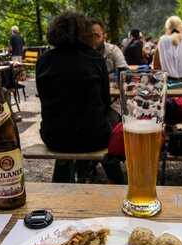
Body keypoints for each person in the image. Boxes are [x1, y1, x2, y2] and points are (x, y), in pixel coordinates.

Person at [36, 11, 124, 183]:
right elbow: (105, 102)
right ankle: (119, 183)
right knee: (114, 115)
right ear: (85, 33)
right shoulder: (94, 58)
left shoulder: (44, 61)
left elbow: (44, 100)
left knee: (67, 128)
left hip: (54, 138)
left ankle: (61, 185)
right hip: (94, 138)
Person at [153, 16, 182, 82]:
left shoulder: (162, 40)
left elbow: (156, 64)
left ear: (167, 28)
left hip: (168, 81)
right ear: (181, 27)